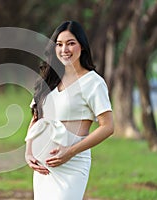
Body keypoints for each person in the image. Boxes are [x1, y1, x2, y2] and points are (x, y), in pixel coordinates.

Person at [25, 21, 114, 200]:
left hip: (72, 164)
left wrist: (70, 152)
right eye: (59, 44)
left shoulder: (93, 82)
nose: (64, 49)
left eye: (71, 43)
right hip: (43, 167)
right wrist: (29, 151)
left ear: (82, 46)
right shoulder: (49, 80)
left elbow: (108, 127)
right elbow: (36, 119)